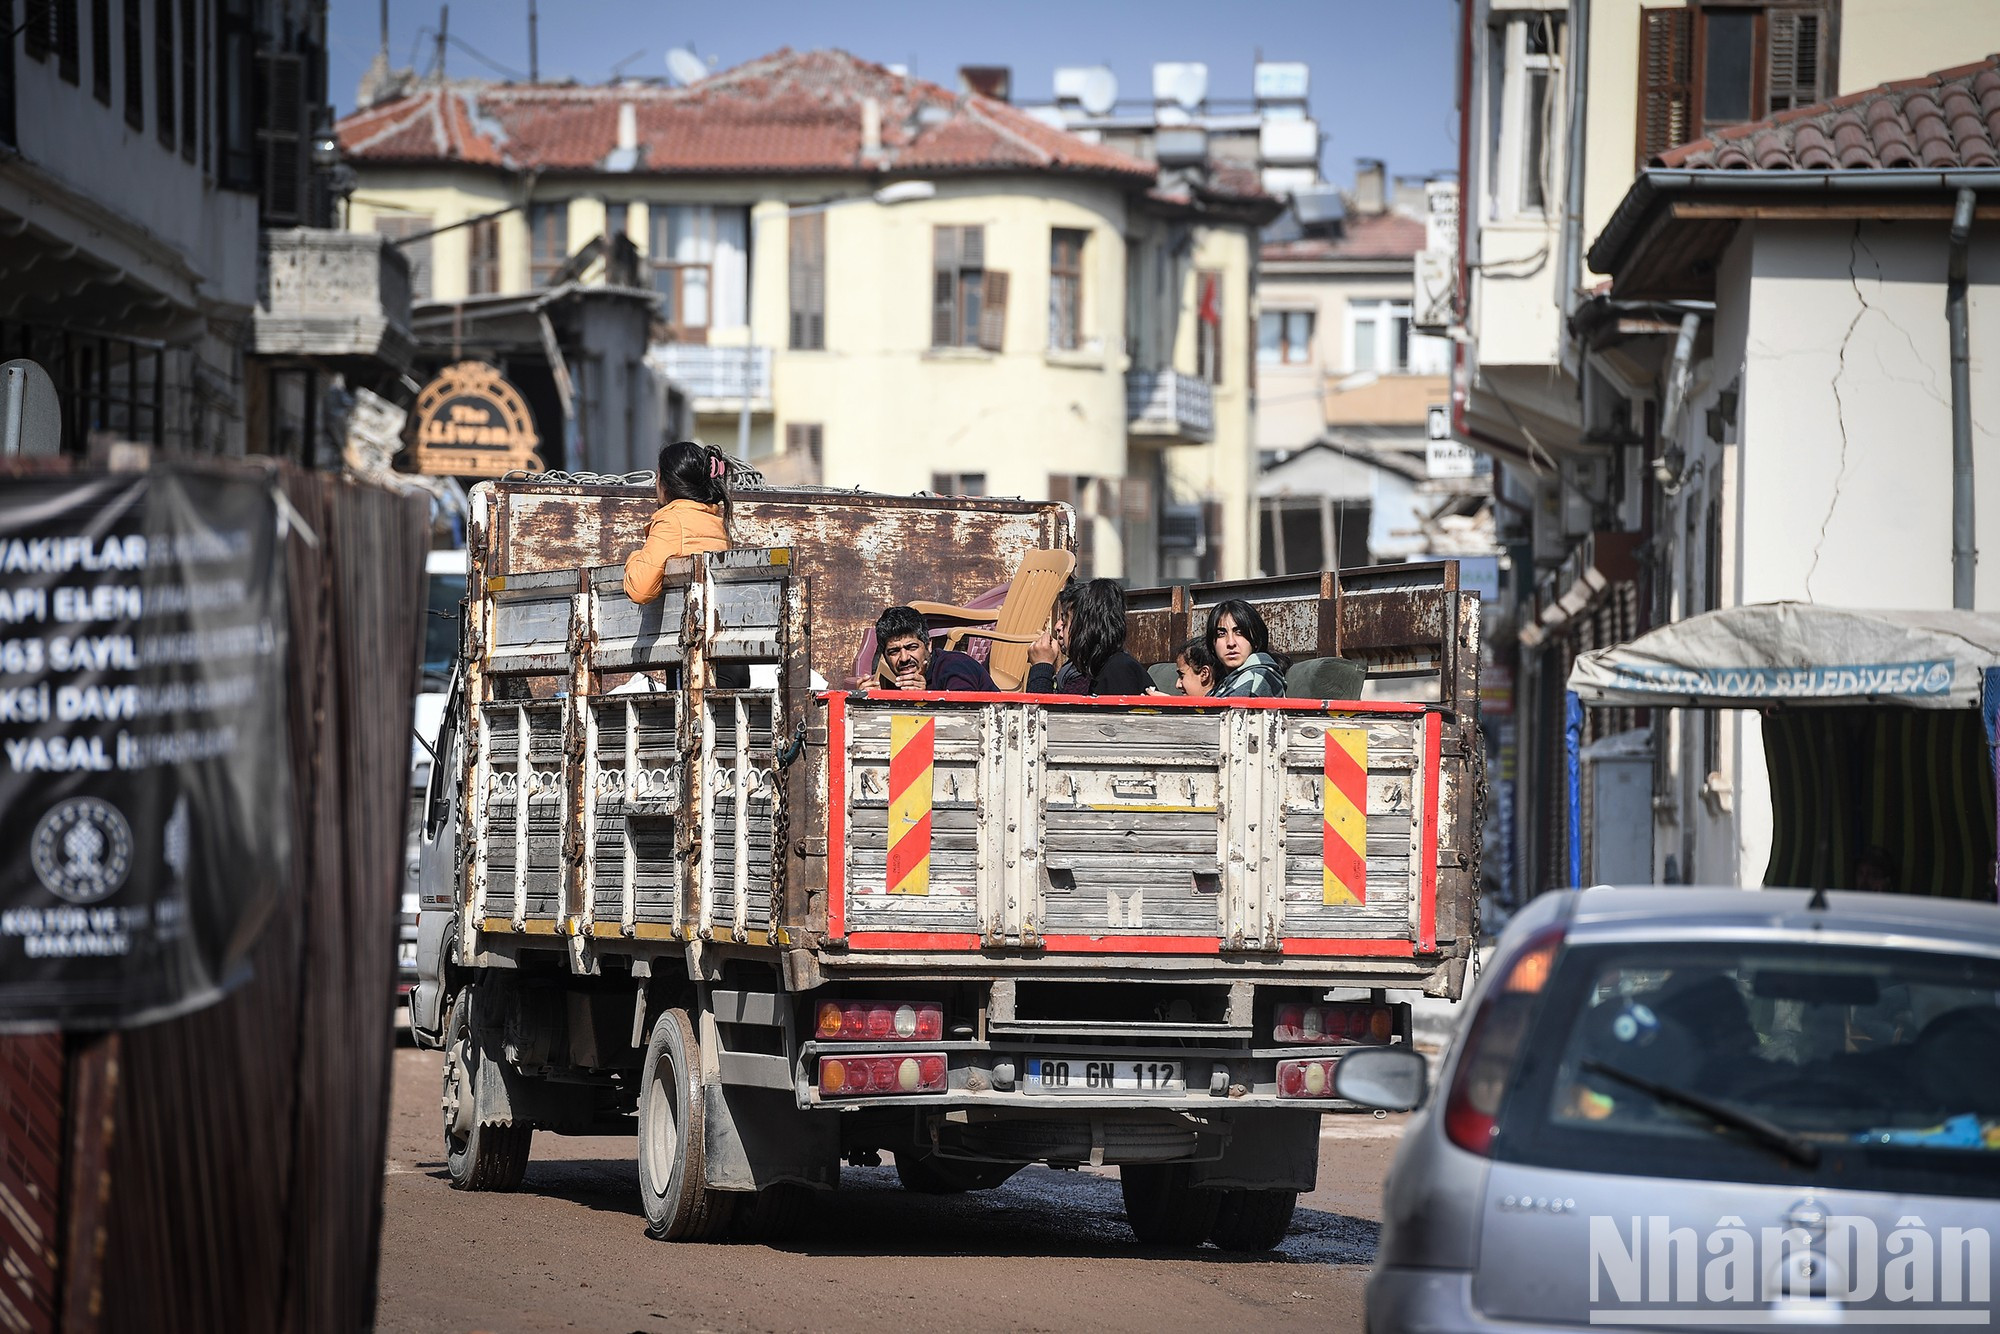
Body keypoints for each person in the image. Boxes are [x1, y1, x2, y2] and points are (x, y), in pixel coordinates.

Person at [623, 441, 733, 605]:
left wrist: (635, 557)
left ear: (666, 484)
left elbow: (639, 590)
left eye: (658, 476)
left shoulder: (671, 522)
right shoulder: (717, 522)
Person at [1026, 578, 1149, 696]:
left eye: (1065, 620)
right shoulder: (1086, 670)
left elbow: (1043, 710)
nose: (1057, 626)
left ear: (1087, 627)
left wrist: (1041, 666)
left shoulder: (1119, 671)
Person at [864, 606, 996, 693]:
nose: (904, 658)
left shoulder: (954, 666)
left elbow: (965, 719)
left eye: (912, 647)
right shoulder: (896, 680)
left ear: (928, 646)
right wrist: (866, 704)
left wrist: (926, 698)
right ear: (885, 656)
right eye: (894, 651)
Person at [1207, 599, 1286, 698]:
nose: (1231, 643)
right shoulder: (1225, 682)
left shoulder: (1258, 676)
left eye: (1239, 632)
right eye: (1221, 634)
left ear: (1255, 639)